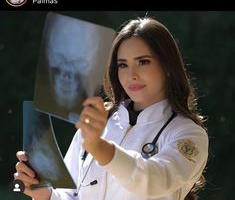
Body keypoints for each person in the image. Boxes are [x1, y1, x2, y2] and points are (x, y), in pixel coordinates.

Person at [14, 17, 209, 200]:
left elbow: (154, 181)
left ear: (167, 66)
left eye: (143, 62)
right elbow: (71, 195)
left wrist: (99, 148)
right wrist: (45, 194)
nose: (131, 74)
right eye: (122, 65)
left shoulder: (188, 133)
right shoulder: (97, 123)